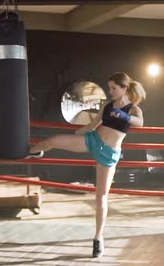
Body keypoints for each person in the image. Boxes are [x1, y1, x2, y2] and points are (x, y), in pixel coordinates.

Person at [30, 72, 146, 258]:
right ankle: (30, 152)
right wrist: (75, 133)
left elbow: (140, 123)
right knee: (53, 140)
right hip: (92, 141)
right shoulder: (107, 106)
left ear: (124, 88)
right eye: (109, 88)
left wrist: (123, 116)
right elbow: (92, 126)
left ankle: (98, 239)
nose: (110, 91)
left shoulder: (133, 110)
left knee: (101, 198)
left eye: (113, 88)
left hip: (108, 154)